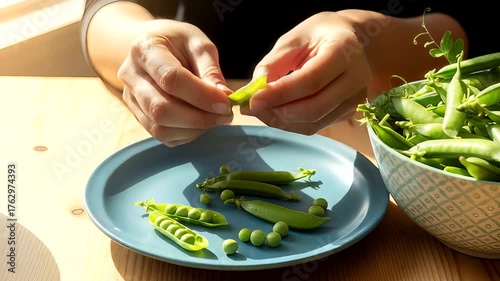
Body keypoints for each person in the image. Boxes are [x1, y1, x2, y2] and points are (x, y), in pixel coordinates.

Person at [80, 1, 488, 147]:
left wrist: (370, 41)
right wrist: (141, 43)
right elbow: (106, 9)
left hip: (381, 144)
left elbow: (476, 28)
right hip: (192, 140)